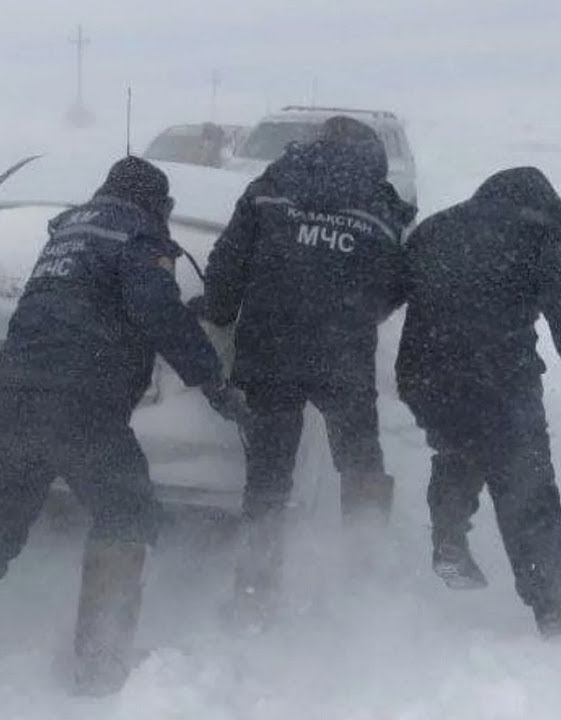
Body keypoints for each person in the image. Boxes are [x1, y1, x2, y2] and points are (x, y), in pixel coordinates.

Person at [0, 157, 249, 718]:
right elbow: (159, 313)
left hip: (9, 396)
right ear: (158, 205)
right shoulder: (136, 236)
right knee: (128, 514)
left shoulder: (64, 238)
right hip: (84, 403)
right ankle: (99, 666)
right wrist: (215, 384)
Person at [191, 117, 417, 622]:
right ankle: (366, 574)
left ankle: (255, 591)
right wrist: (355, 312)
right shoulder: (381, 206)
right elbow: (392, 286)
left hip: (270, 351)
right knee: (360, 463)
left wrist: (219, 310)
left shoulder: (271, 187)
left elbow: (228, 263)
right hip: (343, 357)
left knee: (269, 477)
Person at [395, 167, 561, 637]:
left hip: (426, 376)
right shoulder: (541, 240)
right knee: (528, 493)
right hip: (501, 381)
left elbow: (383, 294)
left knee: (459, 448)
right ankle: (554, 609)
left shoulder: (437, 227)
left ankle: (449, 534)